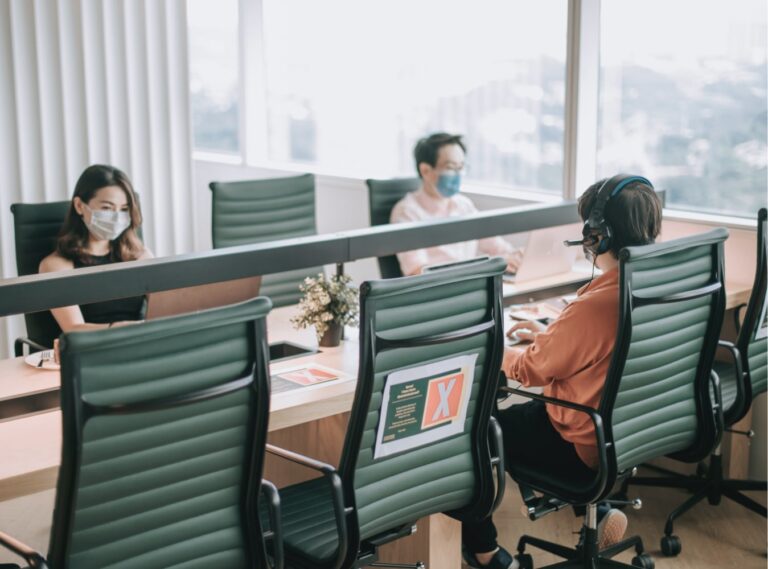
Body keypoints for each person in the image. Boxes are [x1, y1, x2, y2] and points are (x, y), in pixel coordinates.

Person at [462, 176, 662, 569]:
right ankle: (599, 508)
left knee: (477, 431)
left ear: (596, 235)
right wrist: (551, 335)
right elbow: (596, 352)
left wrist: (488, 348)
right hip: (635, 432)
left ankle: (482, 552)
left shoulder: (597, 305)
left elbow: (527, 370)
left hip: (580, 446)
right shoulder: (660, 285)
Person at [39, 164, 153, 333]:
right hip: (92, 351)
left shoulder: (141, 256)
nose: (116, 217)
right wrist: (121, 329)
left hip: (142, 344)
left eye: (124, 209)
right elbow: (73, 329)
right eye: (107, 208)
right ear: (79, 206)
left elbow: (166, 311)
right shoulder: (56, 266)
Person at [390, 132, 522, 276]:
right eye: (451, 167)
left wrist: (515, 256)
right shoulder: (407, 212)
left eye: (461, 167)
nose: (458, 174)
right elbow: (417, 272)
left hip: (470, 287)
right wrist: (483, 267)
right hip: (437, 294)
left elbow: (499, 248)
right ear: (426, 170)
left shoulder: (463, 205)